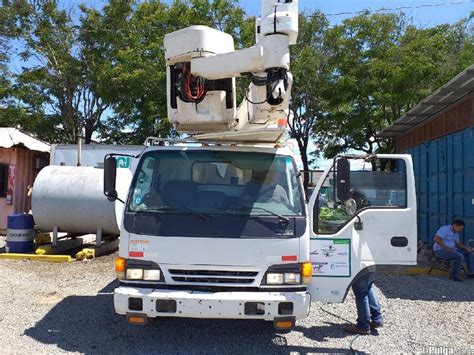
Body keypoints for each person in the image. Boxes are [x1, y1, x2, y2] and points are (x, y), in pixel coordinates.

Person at [344, 269, 384, 335]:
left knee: (361, 293)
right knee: (369, 287)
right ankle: (377, 319)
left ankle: (363, 326)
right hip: (372, 264)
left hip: (360, 266)